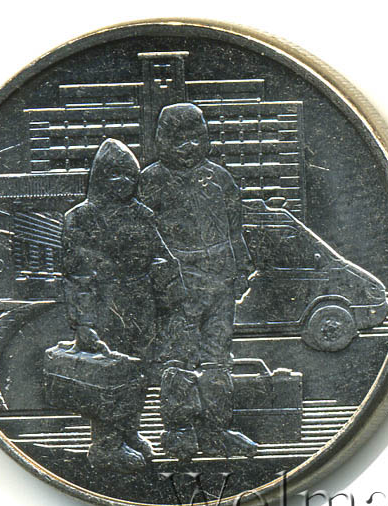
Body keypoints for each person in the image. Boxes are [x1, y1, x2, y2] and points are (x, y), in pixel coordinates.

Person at [139, 103, 258, 459]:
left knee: (218, 358)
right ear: (162, 140)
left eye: (195, 137)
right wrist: (158, 278)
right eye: (178, 139)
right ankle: (178, 431)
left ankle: (217, 429)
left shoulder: (220, 178)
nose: (188, 147)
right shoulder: (151, 180)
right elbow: (144, 237)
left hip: (220, 281)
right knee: (177, 359)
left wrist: (241, 269)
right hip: (178, 285)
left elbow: (235, 228)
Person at [61, 138, 182, 471]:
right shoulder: (80, 218)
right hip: (103, 307)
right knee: (108, 377)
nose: (122, 182)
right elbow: (76, 275)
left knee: (138, 374)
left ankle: (129, 432)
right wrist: (83, 322)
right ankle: (105, 443)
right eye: (114, 174)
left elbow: (162, 255)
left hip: (141, 306)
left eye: (129, 175)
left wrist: (164, 277)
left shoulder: (143, 215)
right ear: (99, 177)